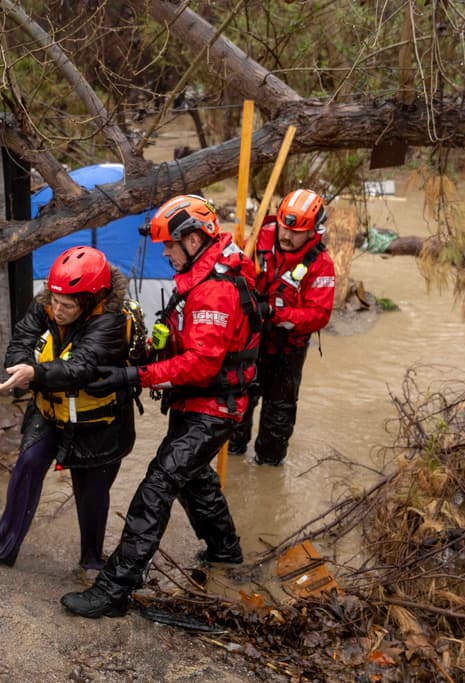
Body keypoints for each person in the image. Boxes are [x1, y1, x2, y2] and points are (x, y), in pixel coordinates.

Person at [60, 194, 259, 619]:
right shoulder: (203, 276)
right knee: (193, 479)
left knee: (157, 486)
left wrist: (135, 376)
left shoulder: (216, 290)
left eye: (170, 245)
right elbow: (186, 345)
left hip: (214, 407)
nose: (165, 253)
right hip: (200, 402)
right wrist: (144, 352)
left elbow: (202, 364)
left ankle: (115, 589)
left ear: (193, 240)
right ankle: (227, 553)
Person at [0, 245, 136, 579]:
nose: (57, 311)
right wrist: (19, 365)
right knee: (26, 468)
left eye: (67, 306)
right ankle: (2, 547)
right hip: (50, 412)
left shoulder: (111, 322)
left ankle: (91, 559)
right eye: (54, 302)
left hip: (98, 423)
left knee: (91, 493)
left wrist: (34, 374)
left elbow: (81, 367)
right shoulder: (49, 300)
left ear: (88, 301)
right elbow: (22, 338)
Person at [227, 189, 335, 466]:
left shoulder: (321, 265)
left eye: (296, 232)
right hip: (249, 340)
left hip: (288, 349)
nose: (286, 236)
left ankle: (269, 465)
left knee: (278, 416)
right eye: (285, 228)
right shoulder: (259, 239)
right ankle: (233, 457)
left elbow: (319, 315)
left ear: (314, 231)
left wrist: (277, 313)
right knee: (237, 406)